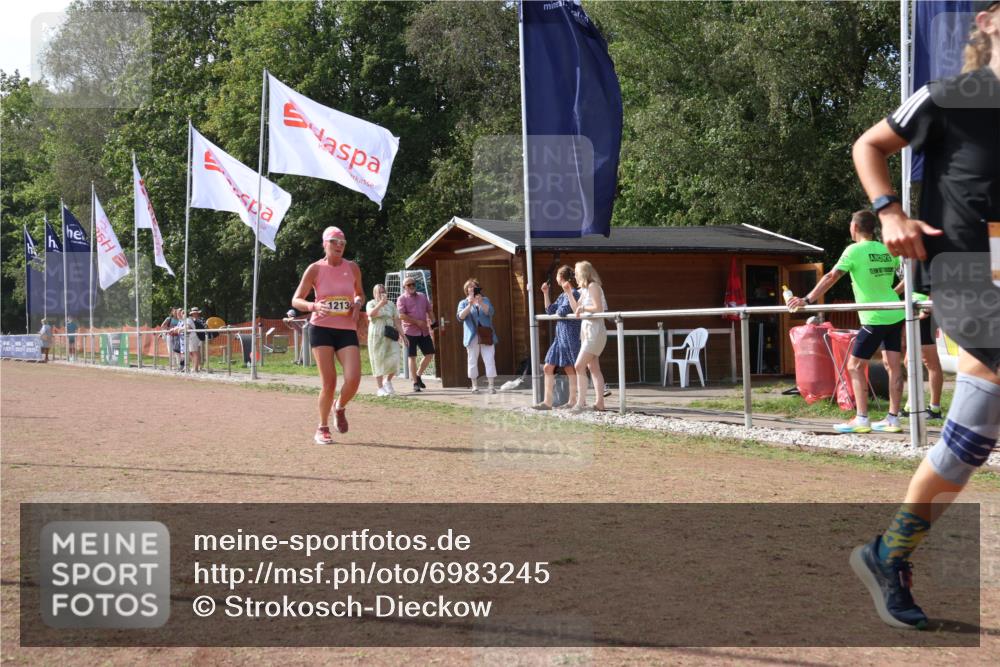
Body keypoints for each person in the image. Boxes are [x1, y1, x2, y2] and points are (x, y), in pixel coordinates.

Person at [845, 1, 1000, 630]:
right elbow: (869, 144)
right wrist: (888, 213)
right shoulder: (950, 97)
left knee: (971, 440)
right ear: (989, 23)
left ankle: (889, 554)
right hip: (964, 274)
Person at [786, 210, 905, 434]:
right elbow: (908, 275)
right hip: (894, 313)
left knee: (854, 365)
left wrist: (807, 299)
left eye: (850, 224)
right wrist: (892, 294)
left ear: (855, 228)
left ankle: (861, 418)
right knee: (893, 367)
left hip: (875, 317)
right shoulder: (887, 250)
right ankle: (892, 419)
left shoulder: (853, 250)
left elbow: (832, 276)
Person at [291, 226, 364, 445]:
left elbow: (359, 292)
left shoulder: (352, 267)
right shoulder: (314, 269)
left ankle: (339, 406)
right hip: (321, 328)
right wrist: (313, 306)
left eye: (342, 243)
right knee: (329, 382)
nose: (339, 246)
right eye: (334, 242)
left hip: (346, 328)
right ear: (325, 244)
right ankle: (322, 427)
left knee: (353, 379)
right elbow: (296, 300)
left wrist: (358, 302)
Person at [892, 283, 944, 420]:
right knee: (909, 360)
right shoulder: (907, 262)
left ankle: (935, 408)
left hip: (925, 310)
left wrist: (927, 308)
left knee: (930, 361)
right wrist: (892, 294)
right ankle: (913, 404)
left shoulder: (922, 261)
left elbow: (934, 281)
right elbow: (907, 280)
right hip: (916, 308)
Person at [533, 265, 582, 410]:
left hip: (570, 335)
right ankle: (547, 402)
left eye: (556, 277)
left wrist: (560, 309)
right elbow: (550, 310)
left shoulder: (573, 293)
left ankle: (573, 401)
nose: (555, 279)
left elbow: (562, 311)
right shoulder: (562, 295)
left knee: (570, 368)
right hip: (560, 336)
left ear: (560, 278)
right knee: (548, 367)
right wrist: (545, 293)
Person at [566, 261, 608, 412]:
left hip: (595, 330)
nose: (575, 277)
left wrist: (583, 308)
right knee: (593, 367)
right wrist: (569, 292)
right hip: (587, 330)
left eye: (576, 274)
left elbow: (598, 308)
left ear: (583, 273)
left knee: (579, 365)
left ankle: (580, 403)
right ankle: (599, 403)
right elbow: (576, 309)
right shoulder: (584, 290)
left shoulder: (593, 286)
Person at [456, 278, 498, 394]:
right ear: (466, 290)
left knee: (489, 359)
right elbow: (460, 317)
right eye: (470, 287)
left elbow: (490, 312)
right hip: (472, 336)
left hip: (485, 334)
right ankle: (474, 386)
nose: (472, 289)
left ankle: (491, 386)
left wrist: (481, 303)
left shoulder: (485, 299)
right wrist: (469, 305)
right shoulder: (463, 302)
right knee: (472, 360)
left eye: (474, 286)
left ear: (478, 288)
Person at [397, 276, 437, 393]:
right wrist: (417, 322)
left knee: (430, 354)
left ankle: (418, 375)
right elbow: (401, 316)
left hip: (424, 331)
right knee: (412, 357)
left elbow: (429, 310)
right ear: (404, 287)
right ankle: (415, 383)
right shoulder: (401, 299)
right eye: (409, 285)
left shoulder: (422, 296)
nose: (411, 286)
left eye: (413, 284)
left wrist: (433, 323)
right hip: (410, 332)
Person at [366, 283, 405, 396]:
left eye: (384, 291)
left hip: (390, 333)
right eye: (380, 291)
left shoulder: (391, 304)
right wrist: (380, 304)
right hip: (376, 335)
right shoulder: (371, 303)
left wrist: (403, 335)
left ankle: (387, 380)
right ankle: (380, 388)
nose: (382, 293)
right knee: (378, 359)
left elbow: (397, 320)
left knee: (396, 357)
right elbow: (371, 314)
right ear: (375, 293)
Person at [184, 307, 204, 372]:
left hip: (197, 337)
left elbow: (188, 328)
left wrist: (180, 329)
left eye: (196, 313)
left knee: (195, 353)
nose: (195, 314)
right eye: (194, 313)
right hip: (194, 337)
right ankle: (196, 367)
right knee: (193, 353)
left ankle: (196, 368)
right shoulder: (191, 319)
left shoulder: (200, 319)